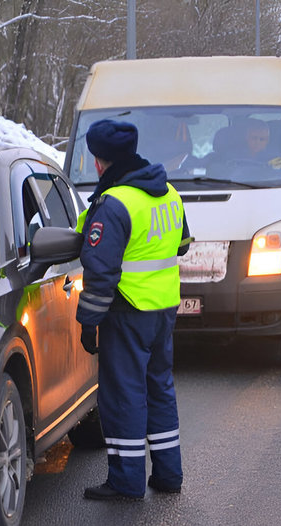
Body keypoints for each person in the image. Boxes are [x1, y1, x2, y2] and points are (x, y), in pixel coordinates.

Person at [75, 119, 192, 501]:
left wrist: (88, 322)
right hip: (163, 309)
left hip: (126, 310)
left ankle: (126, 482)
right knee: (159, 388)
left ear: (98, 161)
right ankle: (168, 474)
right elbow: (183, 244)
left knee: (124, 394)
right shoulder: (168, 192)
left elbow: (100, 270)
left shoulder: (115, 203)